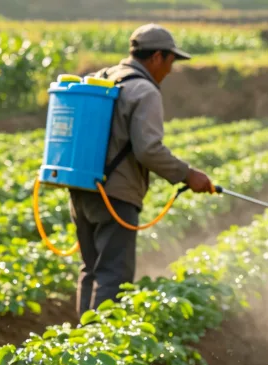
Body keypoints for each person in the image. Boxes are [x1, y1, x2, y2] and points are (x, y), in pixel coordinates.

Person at [70, 24, 215, 317]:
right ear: (158, 56)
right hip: (115, 195)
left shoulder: (104, 77)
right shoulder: (144, 90)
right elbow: (148, 150)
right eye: (171, 61)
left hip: (81, 186)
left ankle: (79, 342)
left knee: (91, 269)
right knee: (113, 274)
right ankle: (97, 344)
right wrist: (188, 175)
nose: (170, 70)